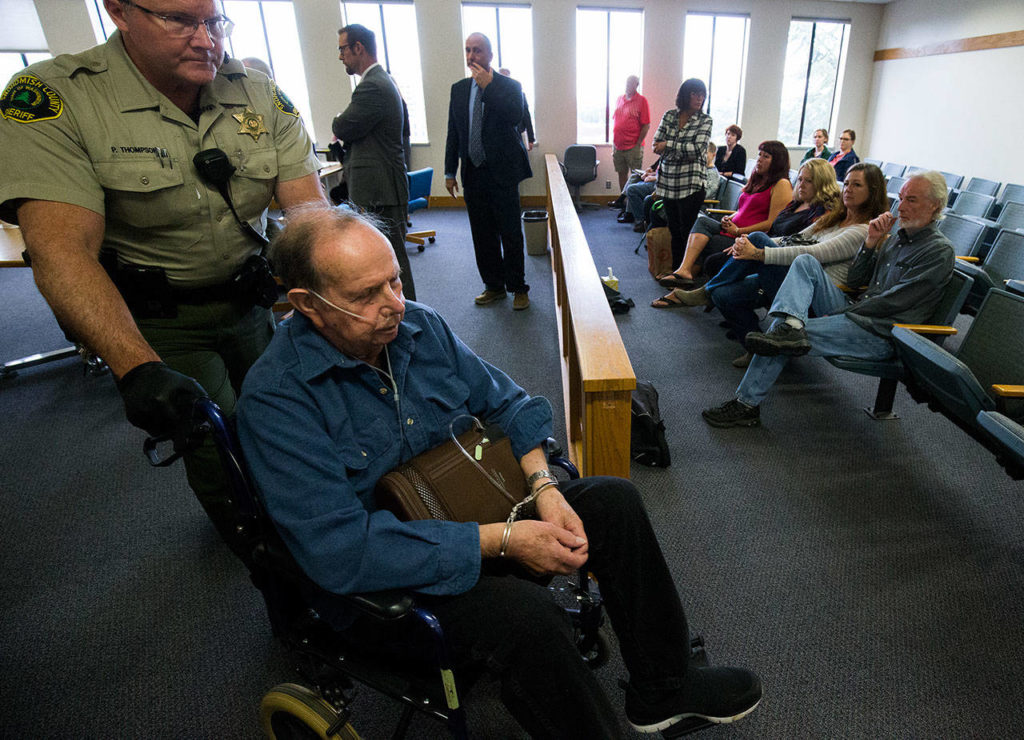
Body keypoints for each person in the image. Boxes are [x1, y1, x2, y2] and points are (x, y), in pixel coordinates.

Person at [236, 205, 763, 738]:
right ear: (307, 304)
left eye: (394, 280)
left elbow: (509, 404)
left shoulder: (420, 325)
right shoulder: (277, 399)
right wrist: (503, 541)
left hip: (477, 508)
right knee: (526, 620)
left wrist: (545, 487)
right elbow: (341, 551)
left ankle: (663, 688)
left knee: (612, 502)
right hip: (393, 577)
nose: (393, 305)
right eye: (365, 296)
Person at [0, 0, 327, 537]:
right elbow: (62, 251)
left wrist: (342, 297)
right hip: (164, 318)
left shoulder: (257, 91)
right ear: (119, 12)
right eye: (179, 20)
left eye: (215, 20)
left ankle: (305, 519)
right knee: (212, 435)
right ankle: (254, 546)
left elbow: (310, 218)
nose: (206, 40)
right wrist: (136, 368)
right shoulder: (54, 97)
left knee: (286, 415)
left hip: (250, 299)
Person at [701, 171, 955, 428]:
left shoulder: (938, 251)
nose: (901, 208)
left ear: (935, 205)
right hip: (858, 314)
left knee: (779, 334)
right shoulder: (895, 241)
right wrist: (870, 243)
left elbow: (896, 302)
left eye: (911, 200)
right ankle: (793, 327)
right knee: (806, 263)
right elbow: (856, 280)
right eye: (900, 199)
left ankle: (746, 404)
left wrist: (840, 314)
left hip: (881, 332)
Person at [677, 163, 888, 369]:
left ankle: (707, 289)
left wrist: (760, 252)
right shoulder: (833, 219)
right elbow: (793, 239)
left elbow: (811, 254)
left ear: (873, 191)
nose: (848, 189)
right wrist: (749, 242)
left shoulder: (861, 231)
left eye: (857, 185)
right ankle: (755, 348)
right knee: (723, 294)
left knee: (759, 240)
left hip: (810, 296)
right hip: (788, 279)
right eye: (848, 183)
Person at [652, 157, 844, 311]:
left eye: (808, 181)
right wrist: (745, 241)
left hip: (782, 263)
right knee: (713, 239)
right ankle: (744, 331)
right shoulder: (795, 203)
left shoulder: (822, 213)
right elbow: (774, 229)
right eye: (800, 179)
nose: (801, 184)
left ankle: (704, 291)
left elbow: (799, 245)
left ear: (821, 182)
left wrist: (749, 243)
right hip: (766, 249)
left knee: (723, 257)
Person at [445, 33, 532, 311]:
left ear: (490, 55)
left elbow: (515, 117)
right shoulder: (458, 89)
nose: (472, 56)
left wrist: (490, 87)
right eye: (468, 50)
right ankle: (493, 286)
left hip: (502, 173)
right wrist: (449, 171)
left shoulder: (509, 85)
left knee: (510, 232)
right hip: (473, 173)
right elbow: (454, 133)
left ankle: (518, 287)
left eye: (478, 50)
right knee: (482, 234)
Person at [332, 23, 416, 301]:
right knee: (389, 257)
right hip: (382, 185)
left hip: (379, 189)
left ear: (359, 48)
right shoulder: (383, 81)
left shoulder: (372, 86)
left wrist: (336, 120)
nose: (340, 56)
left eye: (343, 49)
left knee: (392, 260)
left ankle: (410, 318)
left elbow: (343, 127)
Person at [655, 140, 792, 289]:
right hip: (734, 228)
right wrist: (730, 218)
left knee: (708, 240)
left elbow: (772, 223)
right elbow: (743, 209)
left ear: (777, 161)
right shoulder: (758, 180)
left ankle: (689, 275)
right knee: (701, 221)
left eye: (766, 156)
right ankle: (684, 270)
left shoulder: (781, 184)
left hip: (747, 237)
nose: (759, 159)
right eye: (759, 154)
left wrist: (738, 231)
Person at [652, 79, 713, 269]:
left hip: (692, 184)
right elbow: (656, 144)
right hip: (669, 182)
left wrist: (669, 145)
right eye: (695, 94)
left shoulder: (705, 120)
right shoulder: (670, 116)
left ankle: (684, 270)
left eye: (702, 94)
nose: (699, 98)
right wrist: (678, 149)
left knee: (686, 229)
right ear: (685, 95)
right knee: (674, 229)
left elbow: (696, 150)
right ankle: (675, 269)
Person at [611, 75, 651, 191]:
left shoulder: (641, 101)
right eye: (627, 83)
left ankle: (631, 204)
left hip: (633, 147)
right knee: (621, 173)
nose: (627, 85)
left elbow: (646, 125)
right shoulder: (619, 99)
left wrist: (638, 143)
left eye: (631, 83)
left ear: (636, 85)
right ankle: (623, 201)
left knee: (635, 176)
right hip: (618, 146)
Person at [499, 67, 535, 151]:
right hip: (500, 138)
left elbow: (526, 116)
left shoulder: (520, 94)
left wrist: (531, 138)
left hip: (518, 135)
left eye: (506, 78)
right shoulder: (493, 95)